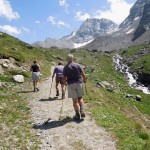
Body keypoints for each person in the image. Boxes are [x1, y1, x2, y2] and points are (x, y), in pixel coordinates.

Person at [63, 54, 87, 120]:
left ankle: (77, 114)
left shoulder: (65, 67)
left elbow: (64, 77)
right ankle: (82, 110)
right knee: (80, 98)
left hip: (71, 84)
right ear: (73, 59)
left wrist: (65, 83)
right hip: (79, 83)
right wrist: (84, 80)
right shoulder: (78, 65)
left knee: (75, 101)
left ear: (67, 59)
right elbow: (83, 74)